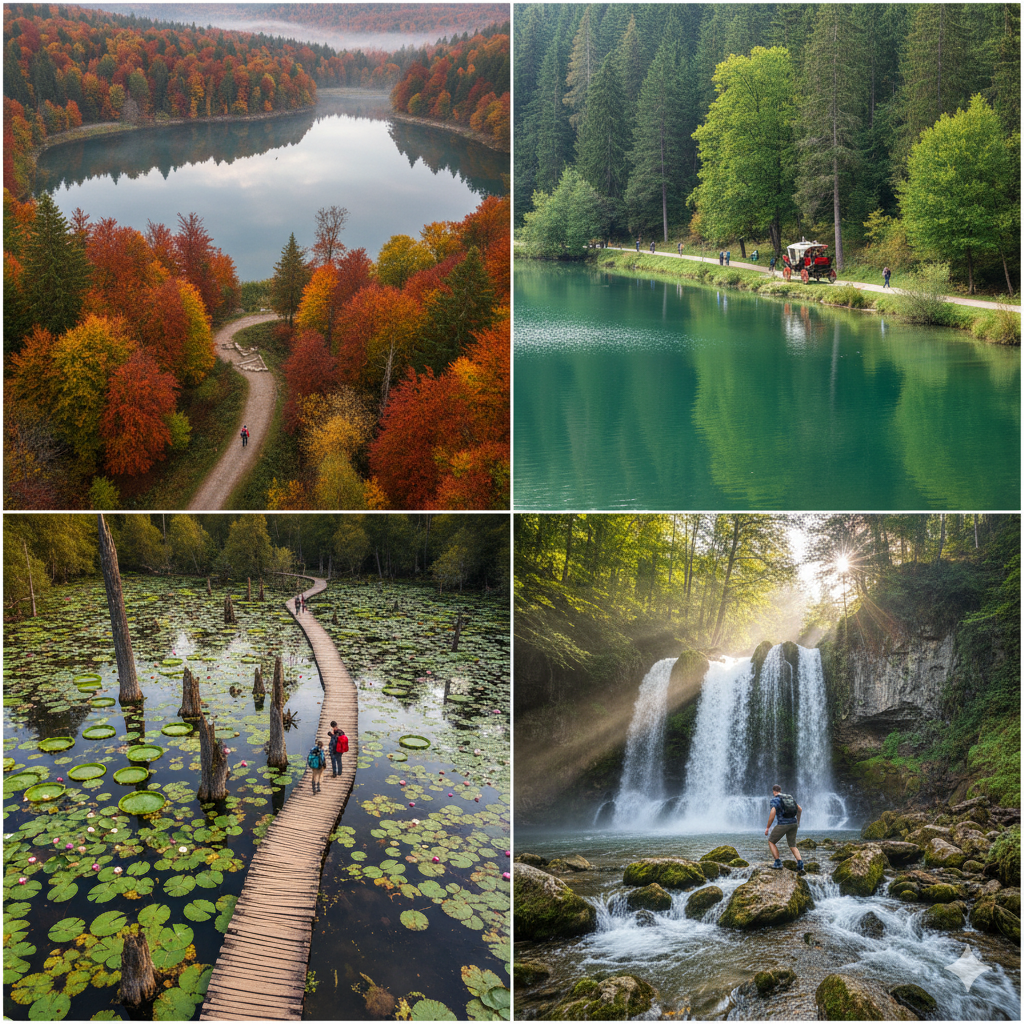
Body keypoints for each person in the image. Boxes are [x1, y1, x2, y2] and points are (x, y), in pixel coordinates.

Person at [765, 785, 805, 873]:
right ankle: (800, 865)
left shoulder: (775, 799)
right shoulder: (789, 797)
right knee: (793, 845)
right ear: (780, 790)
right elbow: (800, 809)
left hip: (783, 824)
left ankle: (778, 863)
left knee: (771, 841)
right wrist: (798, 822)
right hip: (793, 824)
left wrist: (768, 827)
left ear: (773, 791)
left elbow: (772, 812)